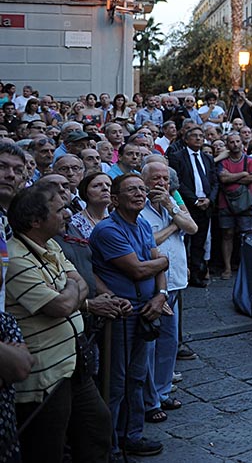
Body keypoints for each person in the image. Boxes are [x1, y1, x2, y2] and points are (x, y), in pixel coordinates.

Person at [7, 180, 111, 462]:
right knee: (47, 448)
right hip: (45, 379)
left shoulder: (50, 244)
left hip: (72, 364)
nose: (67, 214)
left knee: (97, 427)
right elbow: (62, 304)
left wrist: (69, 291)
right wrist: (70, 291)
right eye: (59, 209)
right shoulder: (15, 259)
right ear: (35, 220)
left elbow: (82, 283)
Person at [89, 174, 170, 457]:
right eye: (131, 189)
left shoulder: (144, 223)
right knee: (115, 381)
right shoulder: (109, 230)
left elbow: (158, 266)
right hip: (121, 315)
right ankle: (108, 445)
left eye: (142, 189)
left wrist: (161, 295)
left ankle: (131, 434)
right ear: (115, 198)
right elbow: (138, 269)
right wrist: (162, 261)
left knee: (136, 377)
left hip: (147, 309)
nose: (139, 193)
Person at [139, 161, 195, 424]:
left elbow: (192, 227)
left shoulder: (174, 202)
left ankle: (162, 392)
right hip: (152, 286)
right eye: (155, 179)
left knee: (169, 343)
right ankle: (148, 399)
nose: (160, 183)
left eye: (164, 179)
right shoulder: (140, 209)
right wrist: (175, 225)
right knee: (149, 344)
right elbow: (151, 242)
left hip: (175, 282)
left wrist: (173, 211)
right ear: (145, 181)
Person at [168, 126, 216, 288]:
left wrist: (209, 199)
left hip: (205, 206)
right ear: (186, 139)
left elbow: (214, 182)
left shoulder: (207, 158)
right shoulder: (177, 157)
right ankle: (183, 274)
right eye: (194, 136)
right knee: (183, 240)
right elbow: (178, 182)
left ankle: (197, 275)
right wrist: (194, 200)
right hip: (187, 206)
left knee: (199, 242)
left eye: (201, 136)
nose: (198, 139)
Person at [215, 132, 252, 280]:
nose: (235, 144)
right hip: (225, 203)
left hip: (244, 203)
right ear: (227, 145)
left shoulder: (250, 160)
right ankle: (227, 267)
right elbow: (222, 178)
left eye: (237, 141)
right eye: (231, 142)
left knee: (245, 235)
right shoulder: (223, 161)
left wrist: (232, 178)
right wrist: (243, 174)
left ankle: (245, 265)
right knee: (227, 234)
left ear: (242, 143)